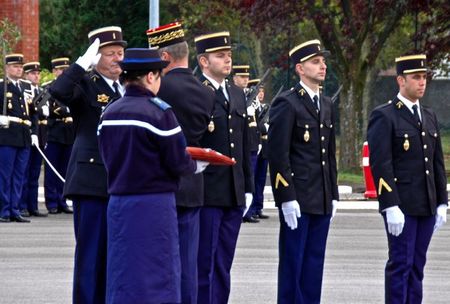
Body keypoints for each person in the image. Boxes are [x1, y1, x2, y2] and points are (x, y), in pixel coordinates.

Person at [97, 47, 207, 304]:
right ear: (150, 76)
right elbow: (178, 160)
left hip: (118, 203)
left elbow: (106, 157)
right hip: (153, 204)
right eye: (159, 76)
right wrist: (195, 165)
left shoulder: (109, 113)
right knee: (158, 274)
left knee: (123, 273)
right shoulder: (160, 112)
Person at [48, 26, 126, 303]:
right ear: (96, 57)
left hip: (121, 181)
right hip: (91, 181)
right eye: (110, 54)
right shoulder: (85, 83)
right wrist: (80, 64)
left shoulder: (126, 87)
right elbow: (57, 92)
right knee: (91, 254)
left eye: (120, 52)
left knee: (115, 255)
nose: (118, 58)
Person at [367, 54, 448, 303]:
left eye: (424, 77)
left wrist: (442, 202)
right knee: (400, 265)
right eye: (416, 77)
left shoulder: (429, 116)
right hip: (402, 205)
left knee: (417, 266)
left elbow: (436, 163)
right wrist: (390, 204)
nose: (422, 82)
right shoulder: (386, 115)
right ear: (401, 81)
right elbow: (381, 163)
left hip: (426, 203)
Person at [147, 21, 215, 304]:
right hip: (192, 185)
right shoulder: (207, 93)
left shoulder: (157, 90)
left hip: (159, 183)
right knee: (188, 264)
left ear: (164, 57)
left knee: (157, 262)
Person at [267, 39, 339, 303]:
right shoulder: (288, 103)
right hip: (298, 196)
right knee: (293, 264)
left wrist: (332, 194)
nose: (323, 66)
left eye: (323, 61)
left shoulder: (327, 103)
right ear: (299, 68)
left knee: (314, 264)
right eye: (315, 62)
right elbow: (278, 153)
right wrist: (286, 196)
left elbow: (329, 154)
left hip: (320, 197)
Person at [194, 31, 254, 303]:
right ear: (204, 61)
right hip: (207, 192)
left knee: (224, 263)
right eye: (221, 56)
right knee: (203, 263)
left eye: (229, 56)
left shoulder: (237, 93)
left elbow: (243, 146)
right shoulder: (196, 92)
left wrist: (248, 186)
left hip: (233, 192)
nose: (228, 61)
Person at [0, 53, 38, 223]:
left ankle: (15, 209)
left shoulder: (25, 87)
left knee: (19, 175)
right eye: (15, 66)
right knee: (5, 175)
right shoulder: (2, 87)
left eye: (21, 67)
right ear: (7, 68)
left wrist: (35, 132)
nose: (19, 69)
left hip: (23, 135)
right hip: (7, 135)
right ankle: (4, 210)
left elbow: (33, 113)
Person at [44, 57, 74, 214]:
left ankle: (62, 200)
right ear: (54, 71)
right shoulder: (49, 88)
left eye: (66, 70)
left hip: (69, 132)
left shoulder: (73, 88)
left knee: (65, 169)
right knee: (52, 169)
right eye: (61, 70)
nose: (64, 73)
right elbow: (44, 108)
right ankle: (52, 201)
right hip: (54, 132)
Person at [19, 61, 48, 217]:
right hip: (28, 133)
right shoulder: (23, 90)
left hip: (41, 134)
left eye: (38, 73)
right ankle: (22, 205)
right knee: (24, 172)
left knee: (35, 173)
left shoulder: (42, 90)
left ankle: (32, 205)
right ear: (26, 75)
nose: (36, 76)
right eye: (33, 73)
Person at [247, 83, 270, 220]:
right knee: (253, 178)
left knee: (260, 179)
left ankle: (258, 207)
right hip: (254, 144)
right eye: (258, 91)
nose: (260, 94)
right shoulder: (250, 106)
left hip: (263, 146)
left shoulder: (264, 108)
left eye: (262, 91)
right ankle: (250, 209)